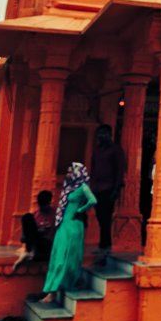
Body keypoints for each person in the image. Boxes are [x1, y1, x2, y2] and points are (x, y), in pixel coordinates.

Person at [41, 163, 97, 303]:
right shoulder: (69, 187)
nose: (69, 174)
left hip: (73, 225)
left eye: (71, 171)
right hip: (63, 225)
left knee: (65, 258)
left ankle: (54, 291)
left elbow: (93, 200)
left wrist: (80, 210)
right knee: (58, 256)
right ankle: (54, 288)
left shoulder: (83, 187)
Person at [90, 123, 126, 265]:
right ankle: (103, 244)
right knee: (100, 218)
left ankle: (106, 247)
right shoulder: (97, 150)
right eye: (99, 133)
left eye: (103, 133)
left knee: (106, 218)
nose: (101, 136)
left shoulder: (116, 150)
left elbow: (120, 170)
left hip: (109, 188)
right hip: (97, 188)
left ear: (110, 135)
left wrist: (116, 190)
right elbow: (93, 168)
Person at [13, 190, 56, 272]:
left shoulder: (55, 213)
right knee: (27, 217)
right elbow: (23, 239)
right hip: (34, 244)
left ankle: (29, 255)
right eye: (40, 205)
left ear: (49, 203)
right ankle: (31, 253)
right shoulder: (35, 214)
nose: (42, 208)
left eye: (44, 205)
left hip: (48, 245)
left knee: (49, 255)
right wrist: (37, 232)